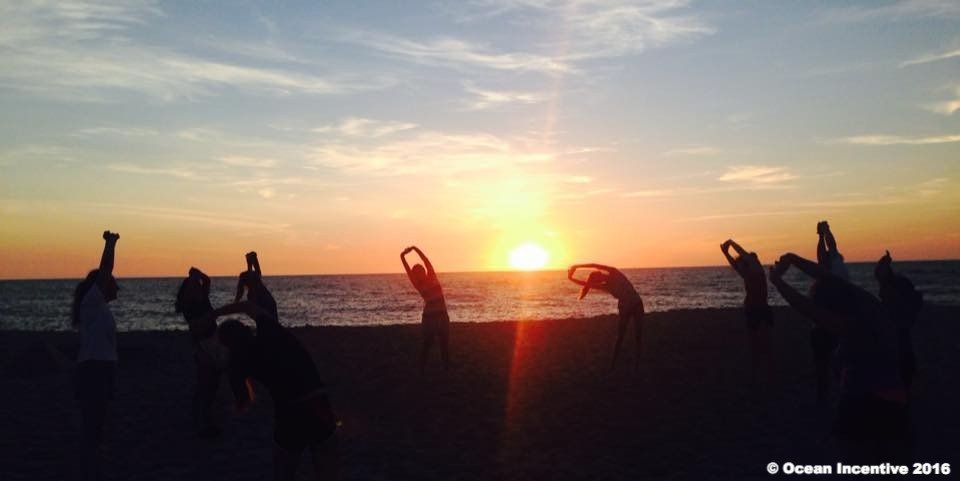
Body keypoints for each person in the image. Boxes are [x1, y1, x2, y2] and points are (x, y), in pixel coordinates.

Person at [770, 253, 909, 463]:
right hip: (893, 398)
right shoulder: (866, 301)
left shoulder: (853, 325)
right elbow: (827, 277)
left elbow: (809, 310)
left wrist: (778, 282)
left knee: (863, 458)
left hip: (870, 404)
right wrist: (792, 259)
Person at [211, 301, 338, 481]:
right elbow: (248, 306)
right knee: (326, 469)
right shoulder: (270, 330)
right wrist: (213, 314)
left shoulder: (241, 363)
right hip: (318, 401)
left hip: (289, 413)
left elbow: (243, 402)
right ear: (246, 328)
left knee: (284, 472)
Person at [72, 231, 120, 481]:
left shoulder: (99, 309)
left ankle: (94, 467)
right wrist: (110, 243)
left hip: (103, 369)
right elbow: (105, 270)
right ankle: (89, 470)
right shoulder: (92, 303)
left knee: (100, 423)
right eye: (113, 282)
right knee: (93, 424)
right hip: (94, 370)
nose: (117, 286)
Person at [174, 266, 223, 437]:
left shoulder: (203, 297)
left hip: (214, 341)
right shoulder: (189, 305)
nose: (197, 287)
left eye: (197, 285)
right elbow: (195, 327)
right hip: (203, 345)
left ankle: (206, 420)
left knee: (213, 384)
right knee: (204, 384)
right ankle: (199, 422)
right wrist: (210, 317)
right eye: (193, 285)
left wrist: (197, 273)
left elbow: (207, 280)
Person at [567, 263, 645, 370]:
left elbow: (593, 264)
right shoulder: (606, 286)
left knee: (638, 335)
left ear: (600, 273)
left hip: (636, 304)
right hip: (624, 307)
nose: (599, 280)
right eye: (597, 280)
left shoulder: (614, 272)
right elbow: (585, 284)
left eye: (598, 278)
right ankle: (613, 364)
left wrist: (577, 266)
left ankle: (637, 363)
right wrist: (571, 278)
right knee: (620, 336)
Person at [720, 239, 773, 385]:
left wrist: (731, 243)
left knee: (765, 344)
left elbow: (743, 255)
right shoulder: (748, 273)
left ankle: (767, 374)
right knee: (755, 345)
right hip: (751, 311)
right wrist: (725, 253)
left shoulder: (757, 270)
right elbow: (734, 264)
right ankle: (758, 374)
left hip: (761, 310)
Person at [875, 251, 924, 389]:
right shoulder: (892, 285)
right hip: (898, 329)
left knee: (901, 354)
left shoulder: (895, 287)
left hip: (898, 329)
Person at [401, 246, 450, 373]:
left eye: (421, 271)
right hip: (430, 319)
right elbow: (408, 269)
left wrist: (415, 249)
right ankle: (421, 370)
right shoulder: (418, 283)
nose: (420, 273)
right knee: (427, 345)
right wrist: (403, 256)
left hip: (442, 316)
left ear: (424, 271)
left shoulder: (432, 276)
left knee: (443, 344)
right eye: (417, 273)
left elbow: (425, 260)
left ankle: (445, 370)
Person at [811, 220, 845, 401]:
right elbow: (827, 250)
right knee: (825, 362)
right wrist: (822, 234)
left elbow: (829, 248)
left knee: (829, 361)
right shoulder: (834, 267)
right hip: (827, 323)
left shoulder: (834, 270)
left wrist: (824, 233)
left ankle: (830, 392)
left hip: (832, 322)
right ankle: (826, 393)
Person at [235, 251, 278, 320]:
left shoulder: (254, 277)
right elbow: (240, 293)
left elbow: (240, 293)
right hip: (264, 302)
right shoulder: (249, 277)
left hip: (266, 303)